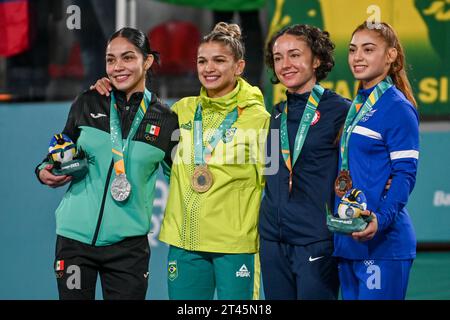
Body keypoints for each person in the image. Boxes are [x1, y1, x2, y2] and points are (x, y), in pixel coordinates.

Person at [35, 27, 179, 300]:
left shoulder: (166, 119)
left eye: (127, 58)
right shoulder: (88, 101)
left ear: (146, 61)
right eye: (110, 60)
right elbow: (60, 149)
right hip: (75, 242)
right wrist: (43, 171)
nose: (117, 67)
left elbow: (179, 178)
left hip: (128, 250)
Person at [158, 22, 270, 300]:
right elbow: (165, 162)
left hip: (235, 245)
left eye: (219, 61)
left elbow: (272, 181)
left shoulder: (260, 120)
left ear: (239, 66)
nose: (208, 68)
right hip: (186, 242)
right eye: (202, 61)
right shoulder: (181, 111)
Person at [258, 24, 350, 300]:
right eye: (278, 57)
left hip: (315, 241)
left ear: (317, 60)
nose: (285, 64)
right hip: (273, 241)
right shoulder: (275, 114)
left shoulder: (340, 110)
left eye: (295, 55)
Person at [333, 21, 419, 300]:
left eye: (368, 50)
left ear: (391, 55)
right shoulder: (357, 103)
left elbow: (405, 174)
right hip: (349, 241)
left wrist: (380, 221)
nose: (357, 57)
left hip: (384, 243)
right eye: (353, 50)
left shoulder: (397, 107)